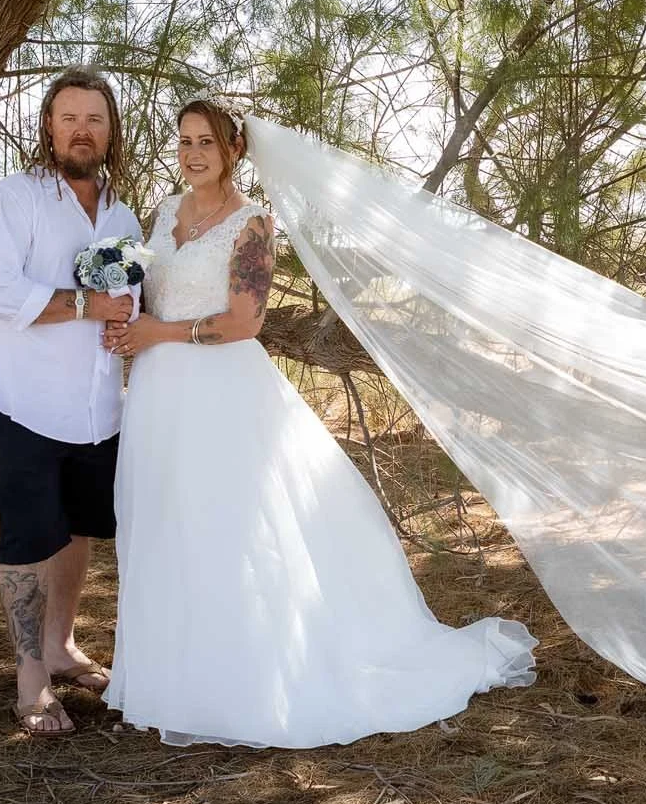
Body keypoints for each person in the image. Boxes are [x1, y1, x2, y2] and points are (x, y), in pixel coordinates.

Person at [100, 100, 535, 747]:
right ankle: (177, 677)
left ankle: (253, 678)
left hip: (221, 390)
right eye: (184, 141)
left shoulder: (252, 224)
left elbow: (245, 321)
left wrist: (154, 331)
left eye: (206, 143)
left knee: (229, 527)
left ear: (233, 150)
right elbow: (145, 288)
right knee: (169, 523)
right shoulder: (164, 213)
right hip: (159, 392)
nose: (193, 153)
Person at [0, 69, 141, 736]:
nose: (82, 130)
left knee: (75, 528)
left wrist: (124, 319)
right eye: (69, 117)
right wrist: (85, 304)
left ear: (110, 131)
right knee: (28, 534)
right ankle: (30, 675)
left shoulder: (121, 215)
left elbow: (122, 303)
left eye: (95, 119)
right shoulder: (14, 200)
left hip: (97, 406)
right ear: (49, 125)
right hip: (23, 403)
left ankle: (63, 644)